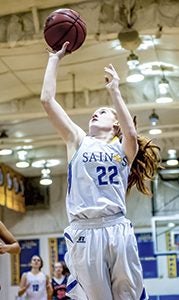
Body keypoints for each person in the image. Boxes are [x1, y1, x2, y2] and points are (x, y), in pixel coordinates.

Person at [41, 41, 161, 300]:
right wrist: (54, 59)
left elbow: (131, 132)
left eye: (102, 112)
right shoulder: (77, 139)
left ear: (115, 123)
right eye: (94, 113)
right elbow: (47, 100)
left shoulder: (124, 149)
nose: (94, 114)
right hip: (84, 231)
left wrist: (115, 92)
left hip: (117, 227)